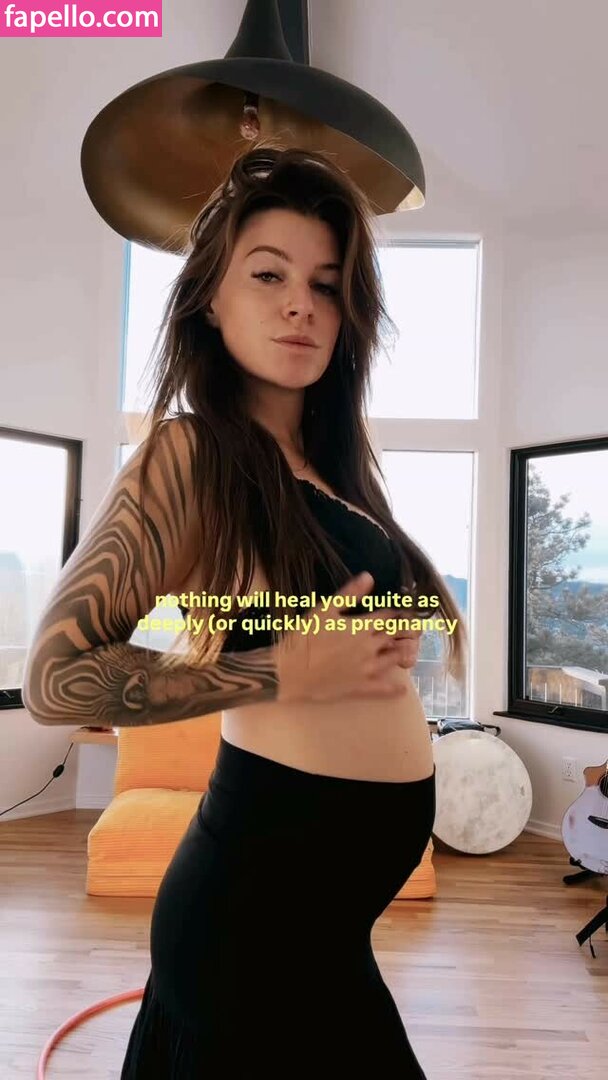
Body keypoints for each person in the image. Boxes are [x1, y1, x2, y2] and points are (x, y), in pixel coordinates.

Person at [23, 145, 467, 1077]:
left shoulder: (333, 474)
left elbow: (284, 625)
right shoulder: (189, 456)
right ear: (209, 301)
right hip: (252, 926)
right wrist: (281, 671)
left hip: (323, 928)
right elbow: (55, 682)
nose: (301, 303)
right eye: (268, 275)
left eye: (326, 285)